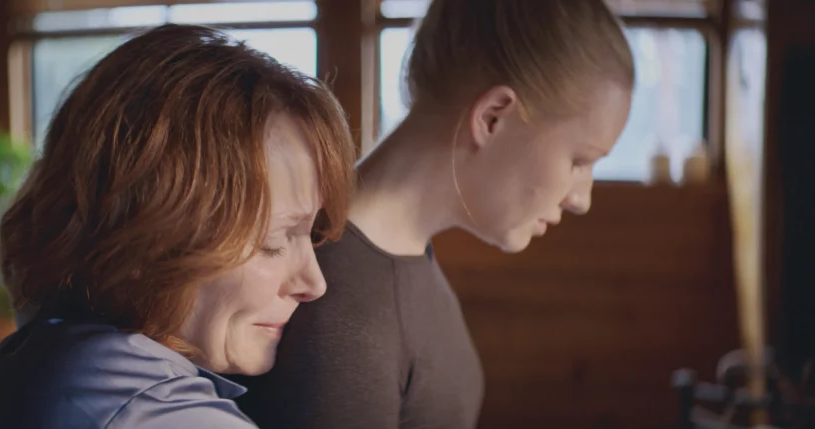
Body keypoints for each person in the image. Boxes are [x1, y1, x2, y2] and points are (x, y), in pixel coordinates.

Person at [232, 1, 635, 428]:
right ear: (493, 117)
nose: (581, 198)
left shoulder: (391, 258)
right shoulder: (338, 305)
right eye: (579, 160)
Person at [0, 24, 356, 429]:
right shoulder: (161, 415)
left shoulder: (13, 364)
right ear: (149, 236)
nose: (313, 282)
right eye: (273, 241)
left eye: (311, 235)